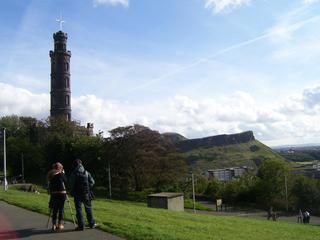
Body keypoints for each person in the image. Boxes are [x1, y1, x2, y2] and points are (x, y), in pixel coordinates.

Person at [69, 159, 97, 231]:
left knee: (79, 210)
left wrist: (71, 192)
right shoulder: (86, 172)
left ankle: (81, 226)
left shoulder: (74, 173)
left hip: (77, 194)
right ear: (81, 164)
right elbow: (93, 182)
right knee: (88, 208)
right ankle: (92, 224)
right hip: (86, 193)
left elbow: (71, 184)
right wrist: (88, 187)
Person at [48, 162, 67, 231]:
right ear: (60, 168)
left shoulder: (51, 174)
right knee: (61, 209)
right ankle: (59, 224)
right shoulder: (61, 174)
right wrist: (63, 173)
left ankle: (53, 225)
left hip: (54, 194)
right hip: (62, 193)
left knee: (55, 209)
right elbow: (66, 181)